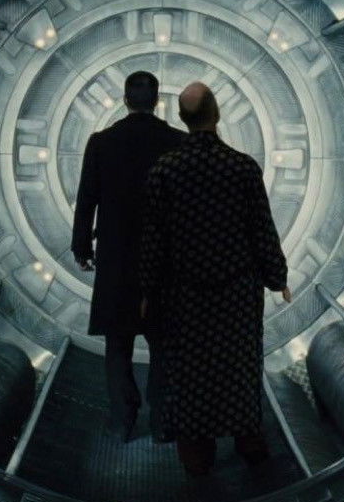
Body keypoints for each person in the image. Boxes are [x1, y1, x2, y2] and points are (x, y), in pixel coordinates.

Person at [137, 82, 292, 477]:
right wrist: (277, 277)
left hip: (184, 294)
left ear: (182, 118)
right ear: (216, 114)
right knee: (238, 367)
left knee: (189, 373)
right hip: (236, 291)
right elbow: (261, 229)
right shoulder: (241, 167)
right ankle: (249, 442)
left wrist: (147, 289)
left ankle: (197, 455)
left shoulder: (165, 170)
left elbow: (154, 237)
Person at [71, 71, 188, 442]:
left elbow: (87, 199)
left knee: (118, 344)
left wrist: (82, 248)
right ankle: (162, 422)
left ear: (125, 100)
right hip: (164, 261)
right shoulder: (179, 143)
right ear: (157, 102)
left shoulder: (101, 143)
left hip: (117, 258)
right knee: (164, 343)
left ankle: (123, 421)